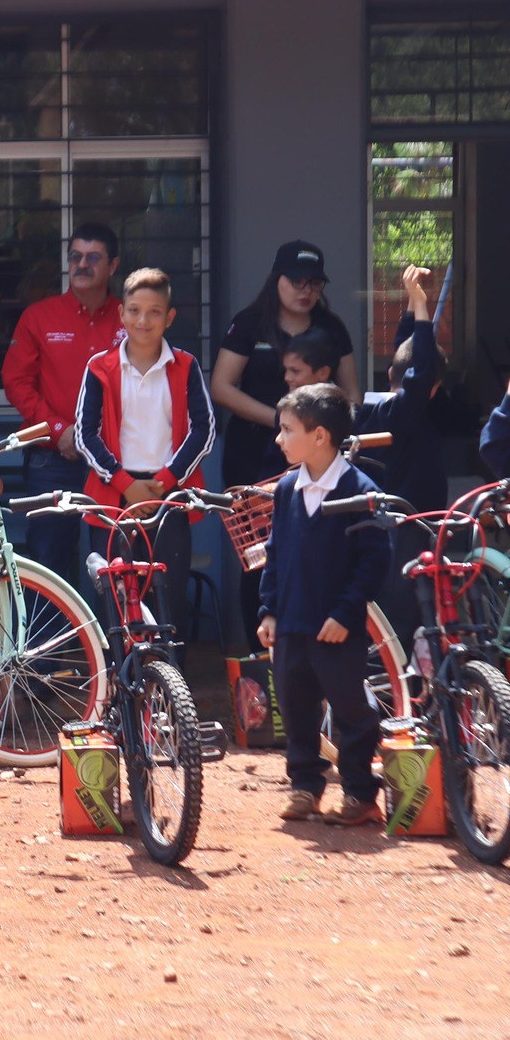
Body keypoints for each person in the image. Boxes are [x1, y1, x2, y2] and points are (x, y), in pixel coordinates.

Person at [212, 240, 359, 648]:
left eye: (314, 282)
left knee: (320, 550)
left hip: (316, 454)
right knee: (258, 557)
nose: (305, 290)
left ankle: (315, 648)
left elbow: (352, 394)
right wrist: (281, 421)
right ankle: (260, 659)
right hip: (252, 453)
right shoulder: (249, 323)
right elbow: (221, 387)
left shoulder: (332, 328)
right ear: (277, 279)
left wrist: (321, 432)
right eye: (296, 281)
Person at [260, 383, 390, 826]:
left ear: (320, 436)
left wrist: (345, 612)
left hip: (337, 628)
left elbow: (374, 562)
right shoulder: (286, 489)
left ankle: (359, 794)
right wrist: (269, 610)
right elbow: (275, 554)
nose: (279, 438)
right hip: (291, 624)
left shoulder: (360, 490)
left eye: (287, 429)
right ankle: (304, 787)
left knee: (351, 709)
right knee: (296, 707)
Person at [75, 268, 215, 647]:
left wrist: (165, 481)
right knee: (115, 601)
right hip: (114, 494)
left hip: (167, 493)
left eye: (155, 312)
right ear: (121, 313)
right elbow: (85, 435)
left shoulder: (185, 365)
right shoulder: (99, 367)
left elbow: (203, 431)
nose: (143, 320)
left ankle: (170, 679)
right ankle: (118, 681)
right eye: (135, 310)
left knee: (169, 600)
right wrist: (125, 484)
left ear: (170, 317)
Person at [1, 223, 126, 582]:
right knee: (49, 564)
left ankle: (114, 624)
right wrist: (59, 431)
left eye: (93, 258)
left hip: (116, 459)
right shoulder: (39, 317)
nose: (82, 265)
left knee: (117, 559)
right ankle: (55, 626)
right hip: (53, 459)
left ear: (113, 265)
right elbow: (16, 382)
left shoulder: (131, 317)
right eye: (75, 257)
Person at [354, 265, 446, 646]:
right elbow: (420, 370)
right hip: (405, 524)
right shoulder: (404, 413)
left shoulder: (374, 408)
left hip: (382, 521)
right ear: (434, 389)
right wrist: (422, 307)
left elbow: (410, 361)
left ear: (390, 370)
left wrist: (411, 306)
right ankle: (396, 681)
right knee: (402, 614)